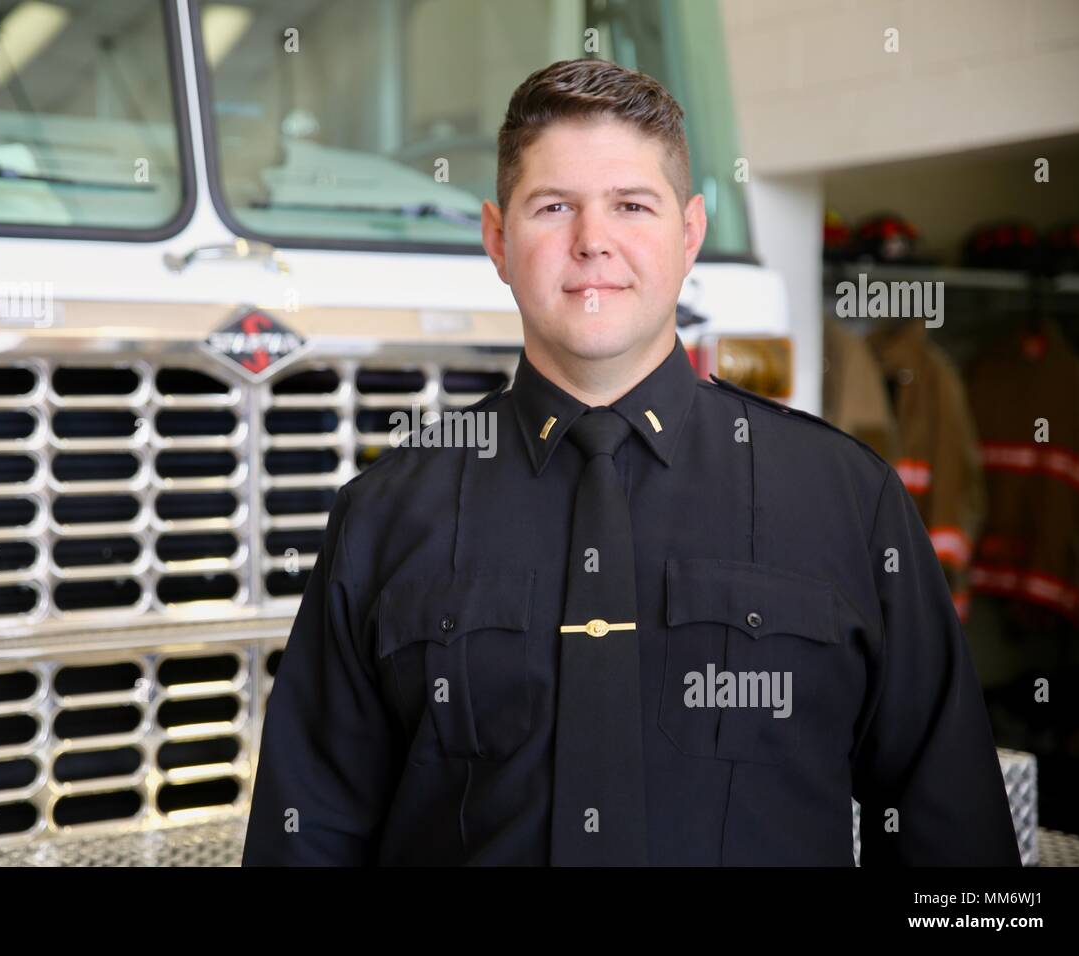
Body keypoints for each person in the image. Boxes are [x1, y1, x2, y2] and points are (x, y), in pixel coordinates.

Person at [241, 58, 1020, 866]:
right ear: (498, 240)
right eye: (553, 207)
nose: (593, 241)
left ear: (689, 234)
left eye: (631, 205)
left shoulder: (850, 504)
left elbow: (953, 844)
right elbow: (308, 840)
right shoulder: (384, 515)